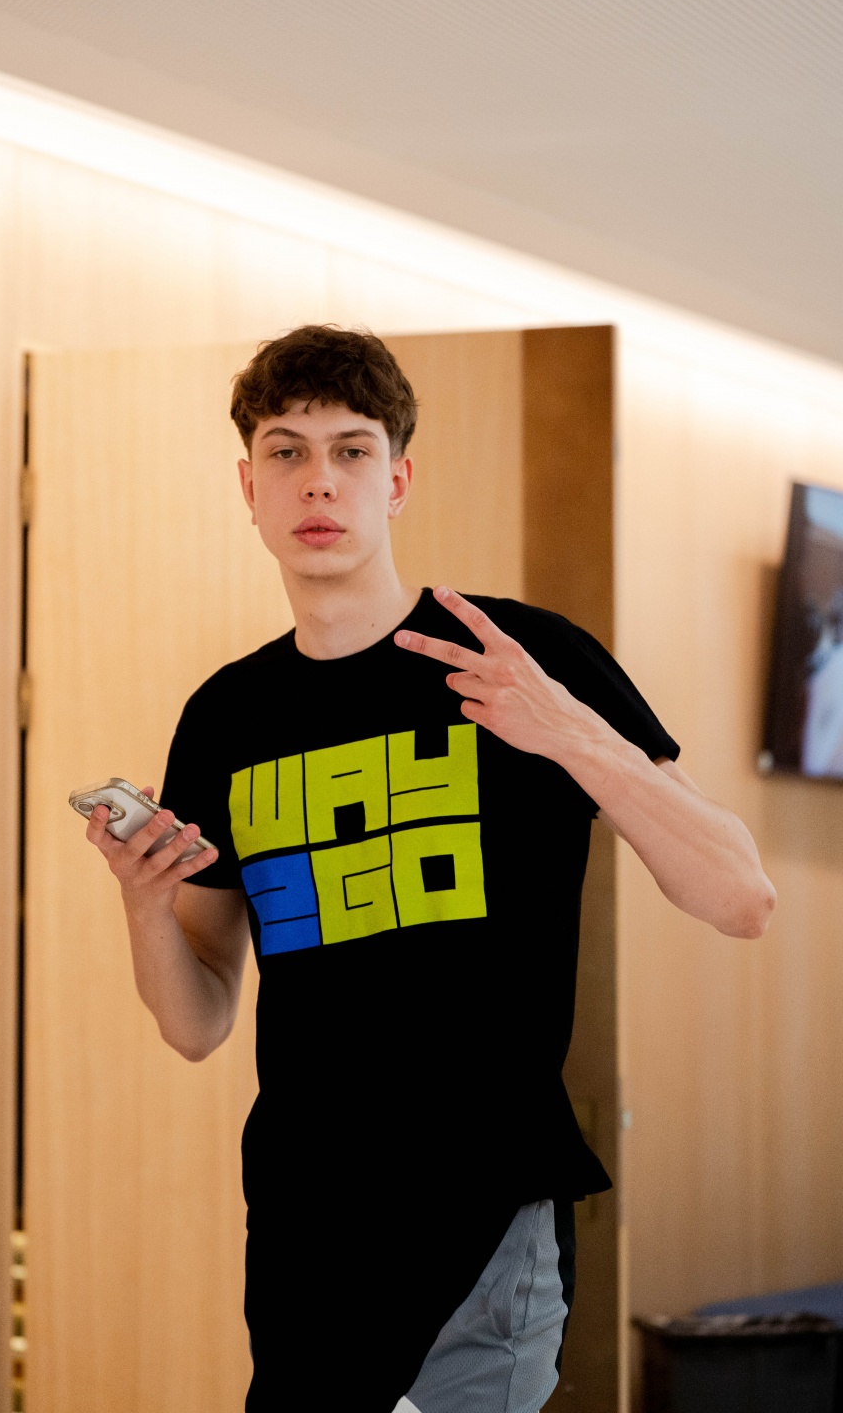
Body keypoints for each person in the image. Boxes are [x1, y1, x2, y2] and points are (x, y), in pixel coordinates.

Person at [84, 325, 776, 1413]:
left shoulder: (519, 656)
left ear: (397, 481)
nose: (319, 481)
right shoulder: (226, 715)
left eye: (352, 451)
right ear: (249, 488)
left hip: (484, 1224)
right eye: (286, 451)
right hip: (305, 1229)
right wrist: (144, 902)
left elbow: (740, 896)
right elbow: (197, 1021)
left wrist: (570, 733)